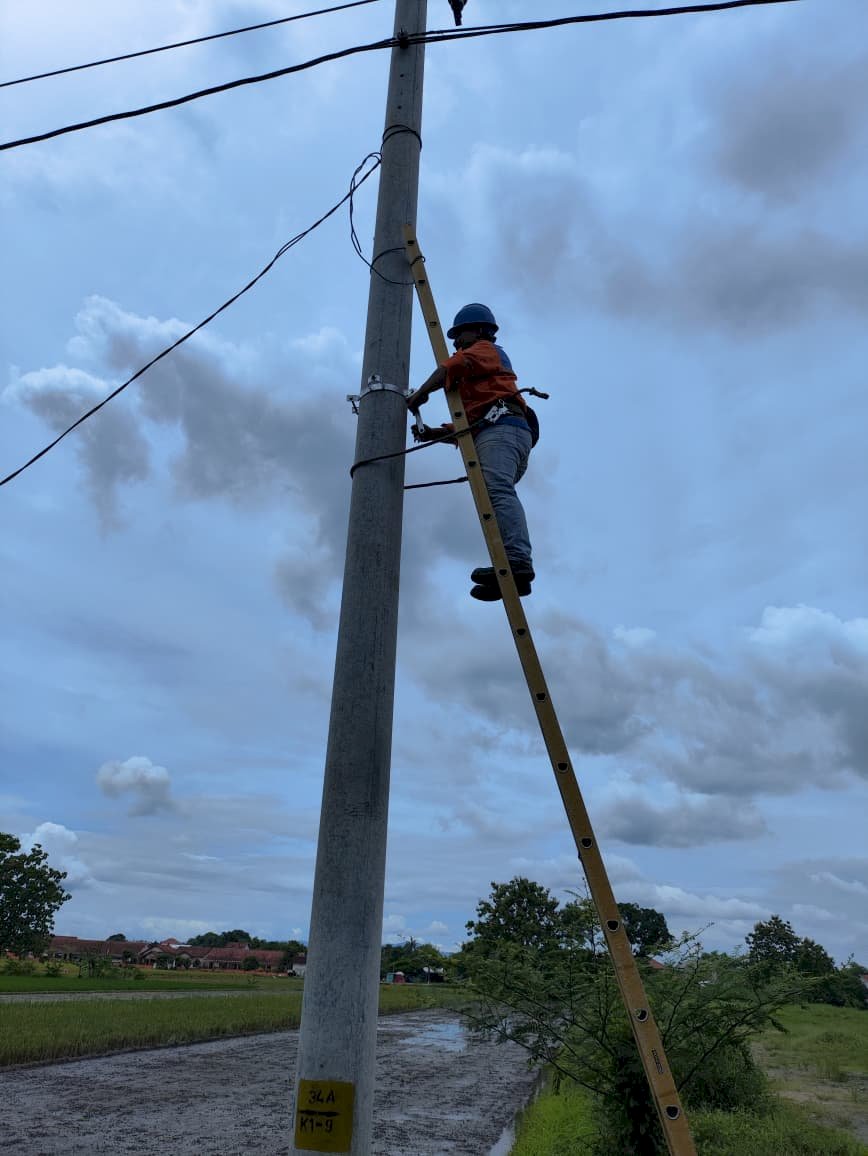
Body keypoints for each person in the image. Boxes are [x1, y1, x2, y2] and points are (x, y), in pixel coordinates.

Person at [407, 303, 535, 600]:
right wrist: (434, 433)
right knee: (492, 495)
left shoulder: (486, 350)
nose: (455, 342)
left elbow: (453, 366)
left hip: (504, 429)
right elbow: (469, 425)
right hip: (497, 429)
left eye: (459, 334)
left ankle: (517, 561)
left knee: (497, 491)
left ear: (479, 330)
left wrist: (421, 393)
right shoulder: (478, 374)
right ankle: (515, 578)